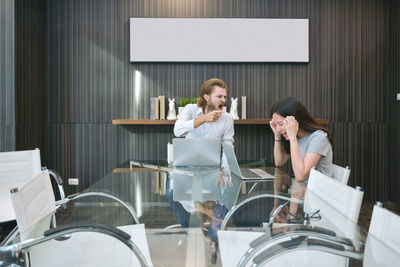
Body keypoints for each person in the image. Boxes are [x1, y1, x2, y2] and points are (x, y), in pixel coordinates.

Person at [174, 78, 234, 184]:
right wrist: (204, 118)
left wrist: (225, 174)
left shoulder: (227, 119)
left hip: (213, 172)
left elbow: (227, 148)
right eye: (219, 96)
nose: (223, 100)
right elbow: (178, 131)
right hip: (187, 170)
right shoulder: (190, 109)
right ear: (206, 97)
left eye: (224, 97)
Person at [270, 97, 334, 184]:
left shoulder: (319, 138)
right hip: (301, 191)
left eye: (280, 124)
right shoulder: (296, 137)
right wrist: (277, 136)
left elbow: (300, 176)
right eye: (275, 125)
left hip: (317, 193)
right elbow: (279, 162)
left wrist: (292, 138)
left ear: (295, 121)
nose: (278, 129)